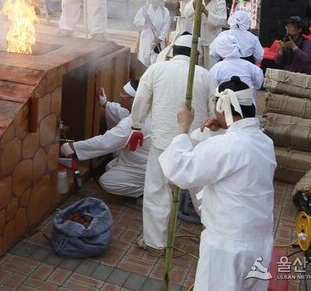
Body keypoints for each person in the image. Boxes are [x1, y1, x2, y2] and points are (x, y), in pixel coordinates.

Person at [159, 76, 275, 290]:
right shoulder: (265, 142)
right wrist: (222, 129)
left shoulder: (227, 145)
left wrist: (183, 126)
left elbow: (180, 171)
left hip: (227, 247)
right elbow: (232, 155)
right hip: (260, 242)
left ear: (222, 108)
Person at [128, 33, 215, 252]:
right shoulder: (204, 75)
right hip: (195, 145)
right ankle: (217, 238)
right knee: (204, 196)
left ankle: (155, 243)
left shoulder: (156, 70)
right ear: (196, 55)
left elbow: (140, 102)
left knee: (157, 192)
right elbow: (214, 111)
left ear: (173, 52)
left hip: (163, 143)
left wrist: (136, 125)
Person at [61, 82, 150, 198]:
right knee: (110, 167)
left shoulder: (133, 124)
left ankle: (147, 191)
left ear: (134, 101)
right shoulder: (145, 112)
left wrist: (73, 147)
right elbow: (122, 113)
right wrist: (106, 104)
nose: (120, 96)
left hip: (143, 167)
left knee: (108, 181)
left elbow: (105, 143)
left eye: (124, 94)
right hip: (141, 162)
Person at [183, 0, 227, 68]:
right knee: (197, 66)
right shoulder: (196, 1)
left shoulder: (220, 5)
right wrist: (195, 4)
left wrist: (206, 12)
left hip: (211, 41)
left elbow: (221, 21)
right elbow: (187, 14)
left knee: (210, 66)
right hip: (197, 40)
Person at [134, 0, 170, 66]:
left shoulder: (165, 11)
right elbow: (136, 21)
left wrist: (160, 38)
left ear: (160, 1)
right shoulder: (144, 9)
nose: (155, 1)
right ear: (151, 0)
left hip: (157, 41)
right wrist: (145, 20)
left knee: (155, 62)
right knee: (143, 61)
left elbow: (166, 27)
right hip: (146, 39)